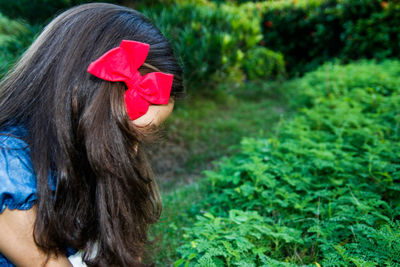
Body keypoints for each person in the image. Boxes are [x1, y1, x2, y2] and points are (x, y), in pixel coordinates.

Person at [0, 2, 185, 266]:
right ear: (78, 98)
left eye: (142, 138)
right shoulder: (8, 171)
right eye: (126, 135)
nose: (132, 152)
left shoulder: (86, 154)